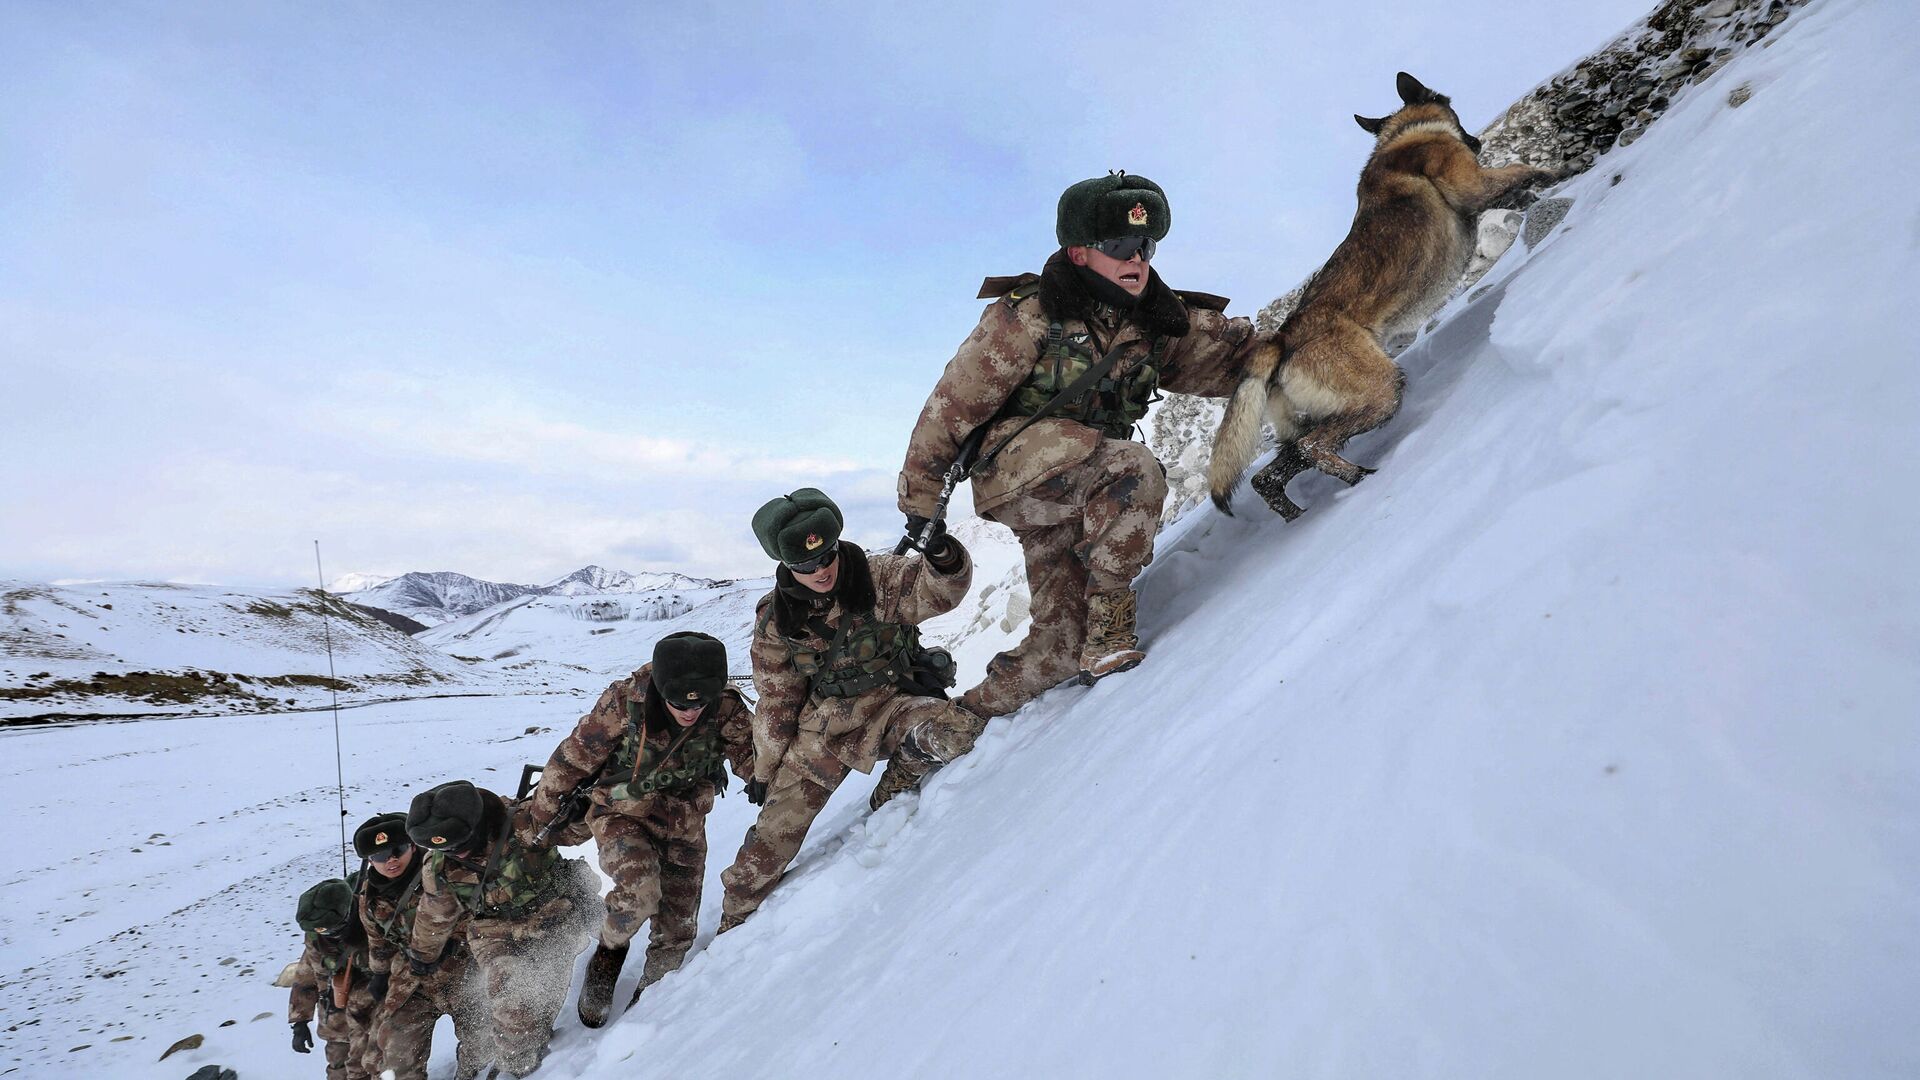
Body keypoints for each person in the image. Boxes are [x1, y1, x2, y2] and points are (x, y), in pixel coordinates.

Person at [898, 171, 1272, 717]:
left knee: (1057, 648)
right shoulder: (1026, 317)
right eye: (1120, 245)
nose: (1137, 258)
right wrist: (920, 505)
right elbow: (950, 408)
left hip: (1082, 489)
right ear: (1078, 254)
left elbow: (1231, 361)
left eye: (1146, 245)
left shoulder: (1156, 322)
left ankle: (952, 727)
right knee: (1133, 468)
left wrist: (1304, 355)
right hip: (1018, 470)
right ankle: (1111, 628)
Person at [716, 487, 982, 931]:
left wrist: (939, 549)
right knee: (767, 847)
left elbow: (943, 591)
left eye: (826, 557)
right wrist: (764, 772)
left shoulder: (877, 576)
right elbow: (777, 703)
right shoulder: (775, 621)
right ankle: (730, 927)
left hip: (893, 705)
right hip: (823, 732)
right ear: (785, 566)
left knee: (954, 732)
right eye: (805, 565)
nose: (820, 570)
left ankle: (893, 786)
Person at [522, 630, 755, 1027]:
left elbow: (754, 757)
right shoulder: (624, 702)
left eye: (698, 704)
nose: (689, 712)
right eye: (678, 703)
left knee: (678, 929)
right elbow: (571, 760)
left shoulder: (725, 709)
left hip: (684, 819)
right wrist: (541, 820)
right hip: (621, 813)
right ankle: (609, 952)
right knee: (639, 894)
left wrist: (766, 780)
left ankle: (651, 1010)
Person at [400, 781, 603, 1077]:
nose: (460, 854)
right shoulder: (439, 867)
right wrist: (422, 955)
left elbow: (580, 830)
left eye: (463, 843)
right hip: (492, 931)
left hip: (555, 918)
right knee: (513, 1000)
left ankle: (528, 1052)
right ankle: (510, 1068)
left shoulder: (526, 822)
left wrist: (579, 812)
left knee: (542, 1003)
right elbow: (434, 914)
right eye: (449, 848)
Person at [352, 812, 496, 1080]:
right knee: (395, 1053)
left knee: (481, 1044)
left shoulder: (444, 870)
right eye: (380, 857)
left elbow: (480, 910)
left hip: (462, 970)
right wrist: (380, 974)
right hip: (412, 981)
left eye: (397, 850)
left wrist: (454, 941)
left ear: (413, 845)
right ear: (370, 861)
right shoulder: (369, 897)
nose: (391, 861)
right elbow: (378, 940)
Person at [288, 877, 376, 1080]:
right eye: (323, 931)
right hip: (336, 1016)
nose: (328, 934)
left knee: (367, 1067)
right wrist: (299, 1022)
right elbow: (305, 977)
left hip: (371, 1013)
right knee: (337, 1067)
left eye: (333, 929)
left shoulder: (372, 921)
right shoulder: (315, 937)